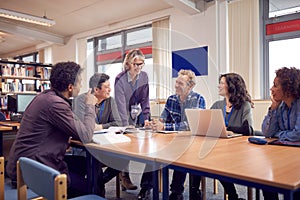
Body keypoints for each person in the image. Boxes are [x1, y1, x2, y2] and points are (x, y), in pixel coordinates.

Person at [6, 61, 97, 197]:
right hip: (32, 170)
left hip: (26, 163)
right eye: (80, 82)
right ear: (70, 87)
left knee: (85, 165)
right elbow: (86, 135)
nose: (82, 86)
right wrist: (90, 106)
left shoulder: (46, 97)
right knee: (90, 187)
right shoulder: (55, 104)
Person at [190, 73, 253, 200]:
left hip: (237, 149)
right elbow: (207, 124)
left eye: (222, 83)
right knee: (197, 158)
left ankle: (233, 196)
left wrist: (228, 130)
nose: (218, 86)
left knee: (216, 163)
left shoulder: (244, 105)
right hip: (218, 148)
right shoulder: (217, 105)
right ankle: (194, 192)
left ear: (231, 86)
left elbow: (248, 130)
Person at [146, 69, 206, 200]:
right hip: (172, 140)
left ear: (190, 86)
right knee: (151, 152)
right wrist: (154, 123)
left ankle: (177, 191)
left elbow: (191, 125)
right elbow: (163, 118)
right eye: (176, 82)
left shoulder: (198, 99)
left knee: (182, 154)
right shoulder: (171, 99)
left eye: (180, 83)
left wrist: (165, 126)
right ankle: (146, 188)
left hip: (191, 142)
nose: (176, 85)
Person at [73, 73, 126, 197]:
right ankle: (97, 191)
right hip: (85, 146)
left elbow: (118, 123)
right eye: (106, 87)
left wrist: (100, 127)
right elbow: (85, 129)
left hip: (106, 144)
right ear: (96, 90)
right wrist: (99, 127)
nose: (110, 89)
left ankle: (98, 182)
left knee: (124, 159)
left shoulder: (110, 101)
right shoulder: (81, 100)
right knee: (94, 159)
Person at [114, 48, 151, 199]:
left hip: (136, 111)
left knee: (140, 140)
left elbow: (145, 98)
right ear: (128, 63)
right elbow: (120, 103)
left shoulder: (144, 77)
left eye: (141, 64)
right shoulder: (120, 78)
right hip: (122, 111)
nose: (138, 67)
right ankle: (125, 176)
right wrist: (125, 124)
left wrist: (147, 117)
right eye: (135, 64)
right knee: (126, 143)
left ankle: (145, 182)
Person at [261, 67, 300, 200]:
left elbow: (298, 134)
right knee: (265, 181)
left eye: (275, 85)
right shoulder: (281, 106)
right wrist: (273, 108)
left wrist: (279, 134)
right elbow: (267, 132)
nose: (271, 89)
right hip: (285, 154)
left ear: (288, 89)